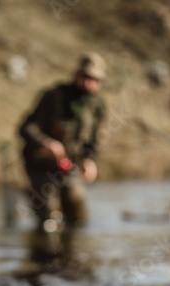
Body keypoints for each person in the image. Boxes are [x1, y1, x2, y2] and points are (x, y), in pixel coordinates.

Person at [19, 52, 106, 230]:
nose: (89, 83)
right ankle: (45, 253)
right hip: (40, 165)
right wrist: (47, 143)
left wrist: (90, 160)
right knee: (48, 219)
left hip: (70, 165)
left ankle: (73, 256)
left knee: (77, 216)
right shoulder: (53, 96)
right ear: (76, 75)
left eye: (94, 79)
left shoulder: (97, 105)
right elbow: (26, 128)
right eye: (85, 77)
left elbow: (93, 139)